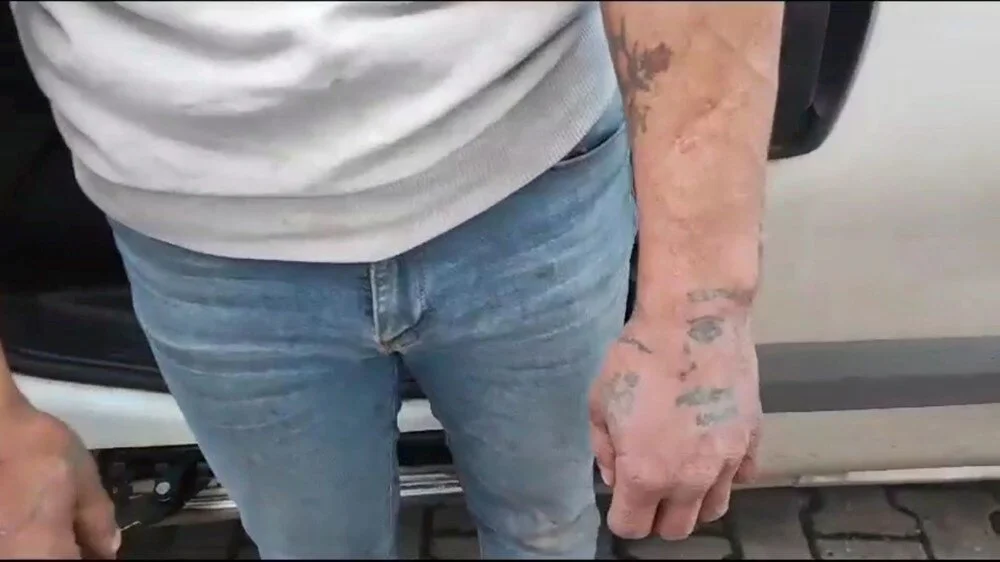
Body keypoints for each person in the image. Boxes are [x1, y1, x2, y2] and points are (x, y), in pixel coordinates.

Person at [0, 1, 783, 558]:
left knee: (548, 524)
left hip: (530, 174)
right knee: (313, 548)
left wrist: (699, 315)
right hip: (201, 238)